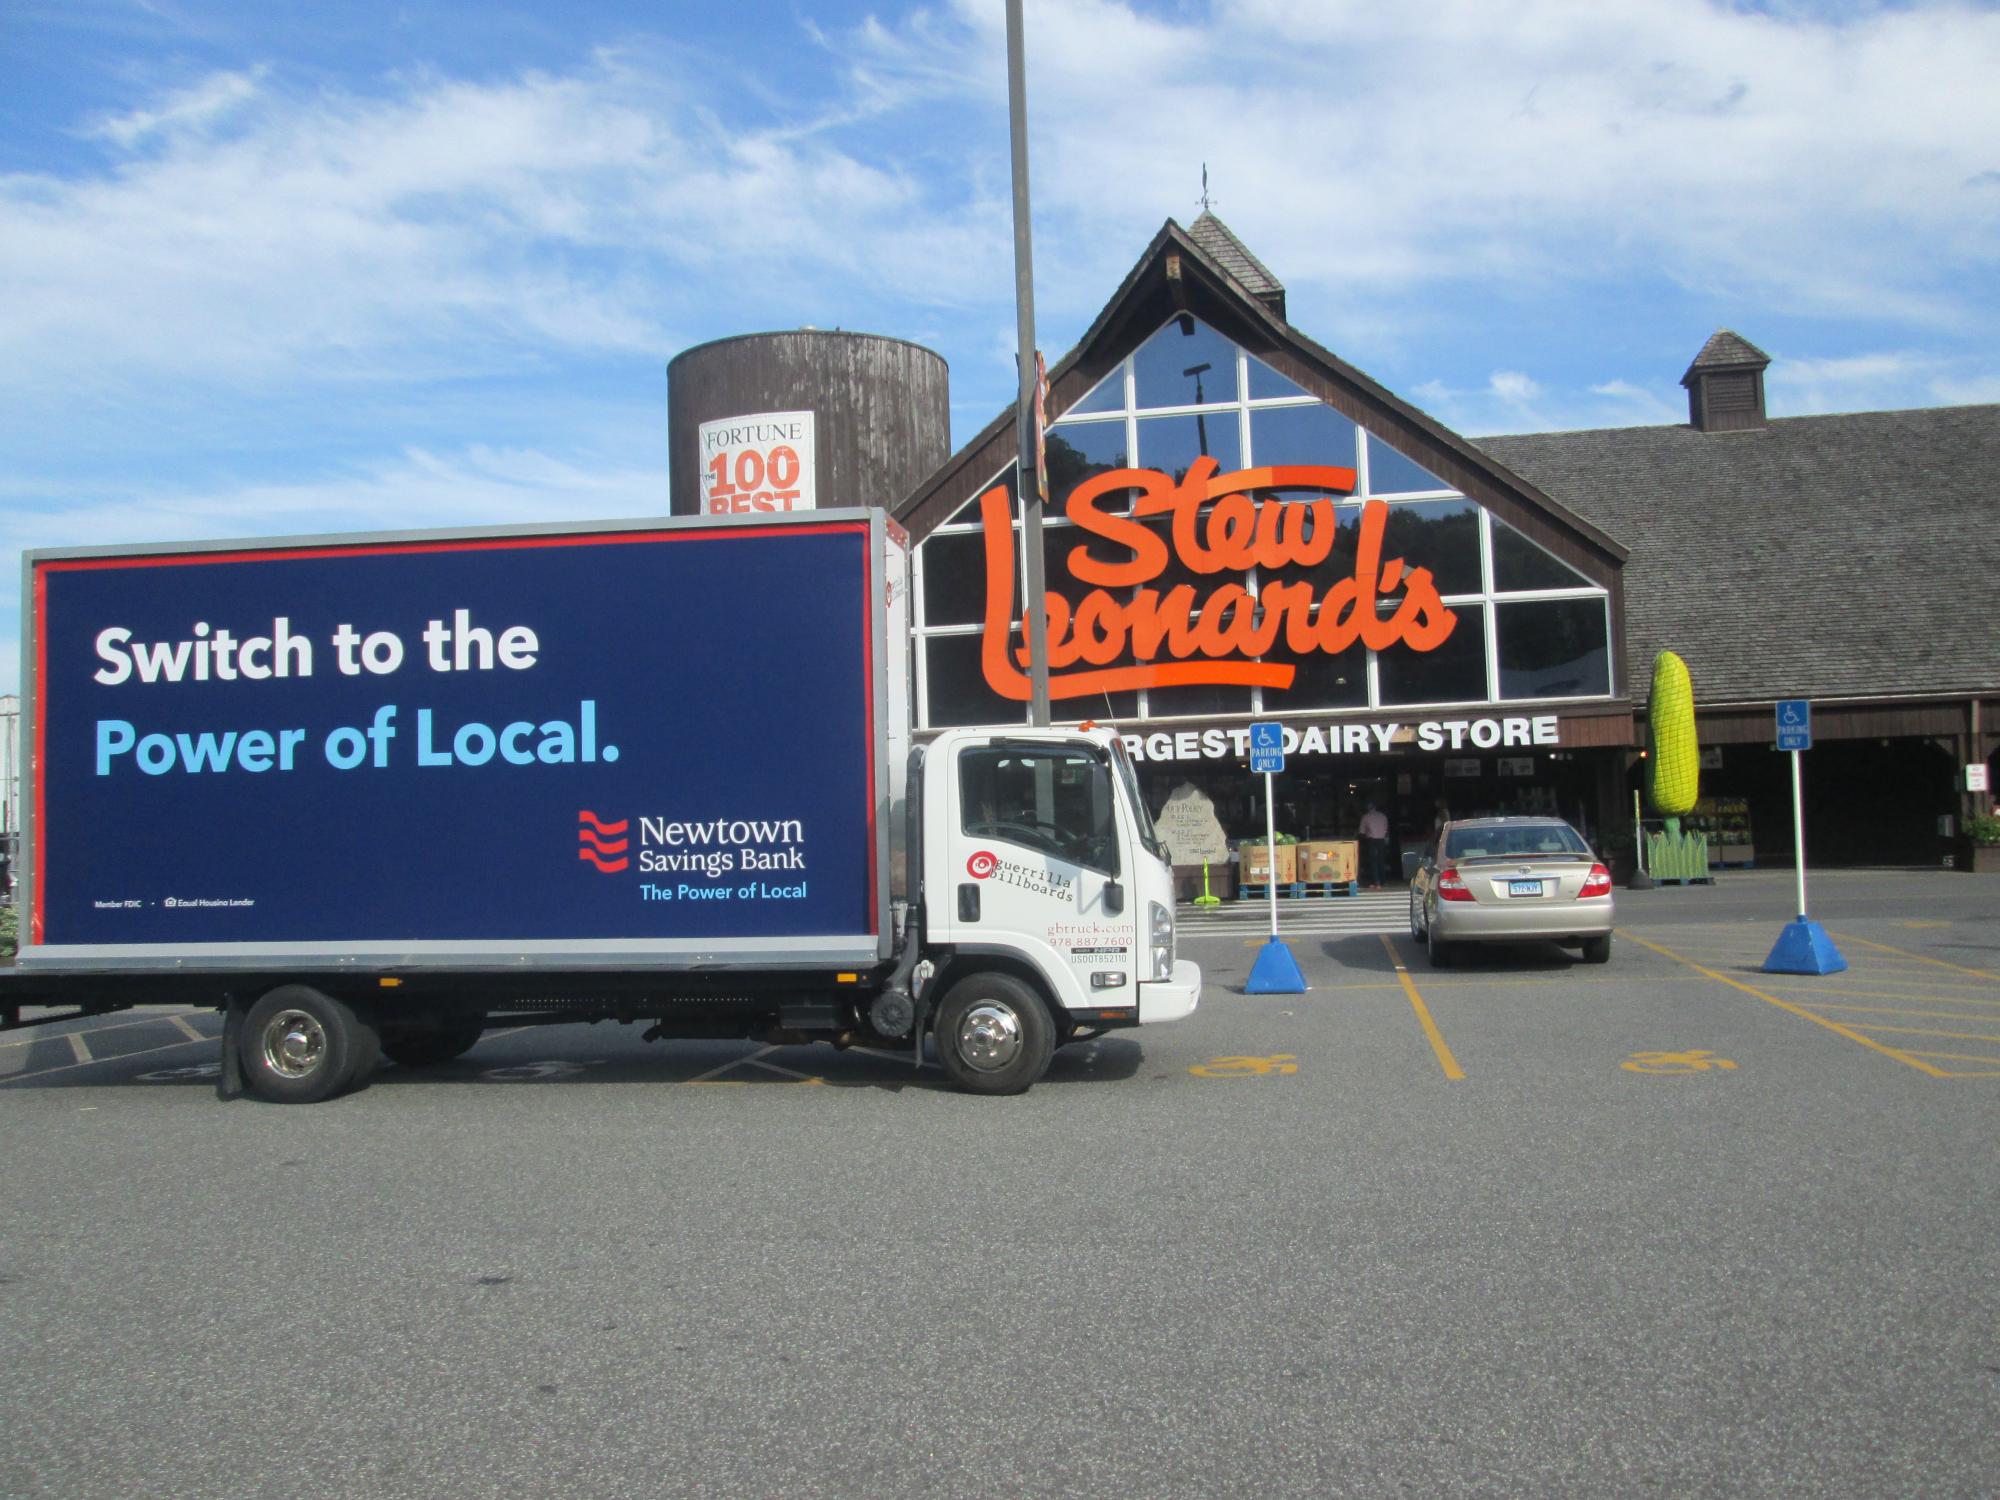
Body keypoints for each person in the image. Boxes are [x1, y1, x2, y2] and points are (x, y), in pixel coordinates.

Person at [1359, 801, 1389, 889]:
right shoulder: (1383, 816)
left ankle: (1376, 882)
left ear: (1368, 808)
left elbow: (1362, 831)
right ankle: (1383, 881)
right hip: (1381, 840)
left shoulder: (1365, 817)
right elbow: (1386, 829)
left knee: (1373, 861)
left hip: (1372, 840)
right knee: (1381, 860)